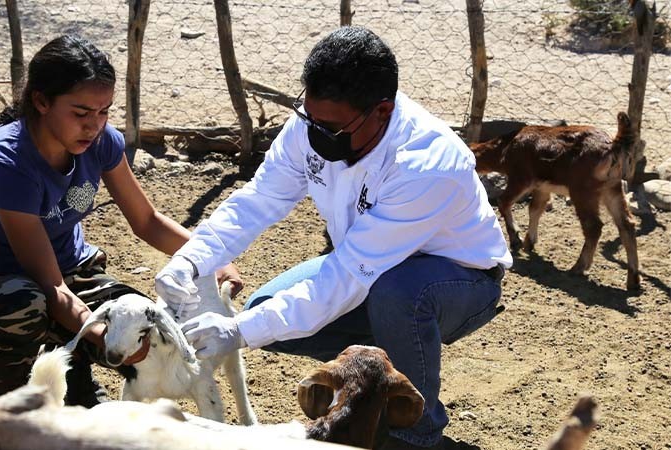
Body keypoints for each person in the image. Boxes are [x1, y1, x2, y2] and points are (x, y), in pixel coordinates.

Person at [155, 26, 512, 449]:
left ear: (381, 112)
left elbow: (348, 274)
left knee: (396, 296)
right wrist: (192, 260)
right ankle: (380, 383)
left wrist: (239, 331)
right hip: (369, 268)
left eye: (332, 127)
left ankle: (417, 432)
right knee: (265, 309)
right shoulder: (314, 124)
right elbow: (258, 199)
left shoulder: (426, 163)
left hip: (458, 282)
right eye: (309, 117)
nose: (315, 134)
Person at [0, 35, 240, 407]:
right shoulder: (6, 163)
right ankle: (8, 403)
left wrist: (211, 259)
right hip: (6, 288)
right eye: (81, 113)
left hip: (75, 274)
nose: (94, 126)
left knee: (142, 325)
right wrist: (102, 334)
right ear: (41, 102)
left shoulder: (101, 142)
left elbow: (147, 221)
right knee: (23, 304)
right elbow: (51, 287)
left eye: (104, 112)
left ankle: (78, 382)